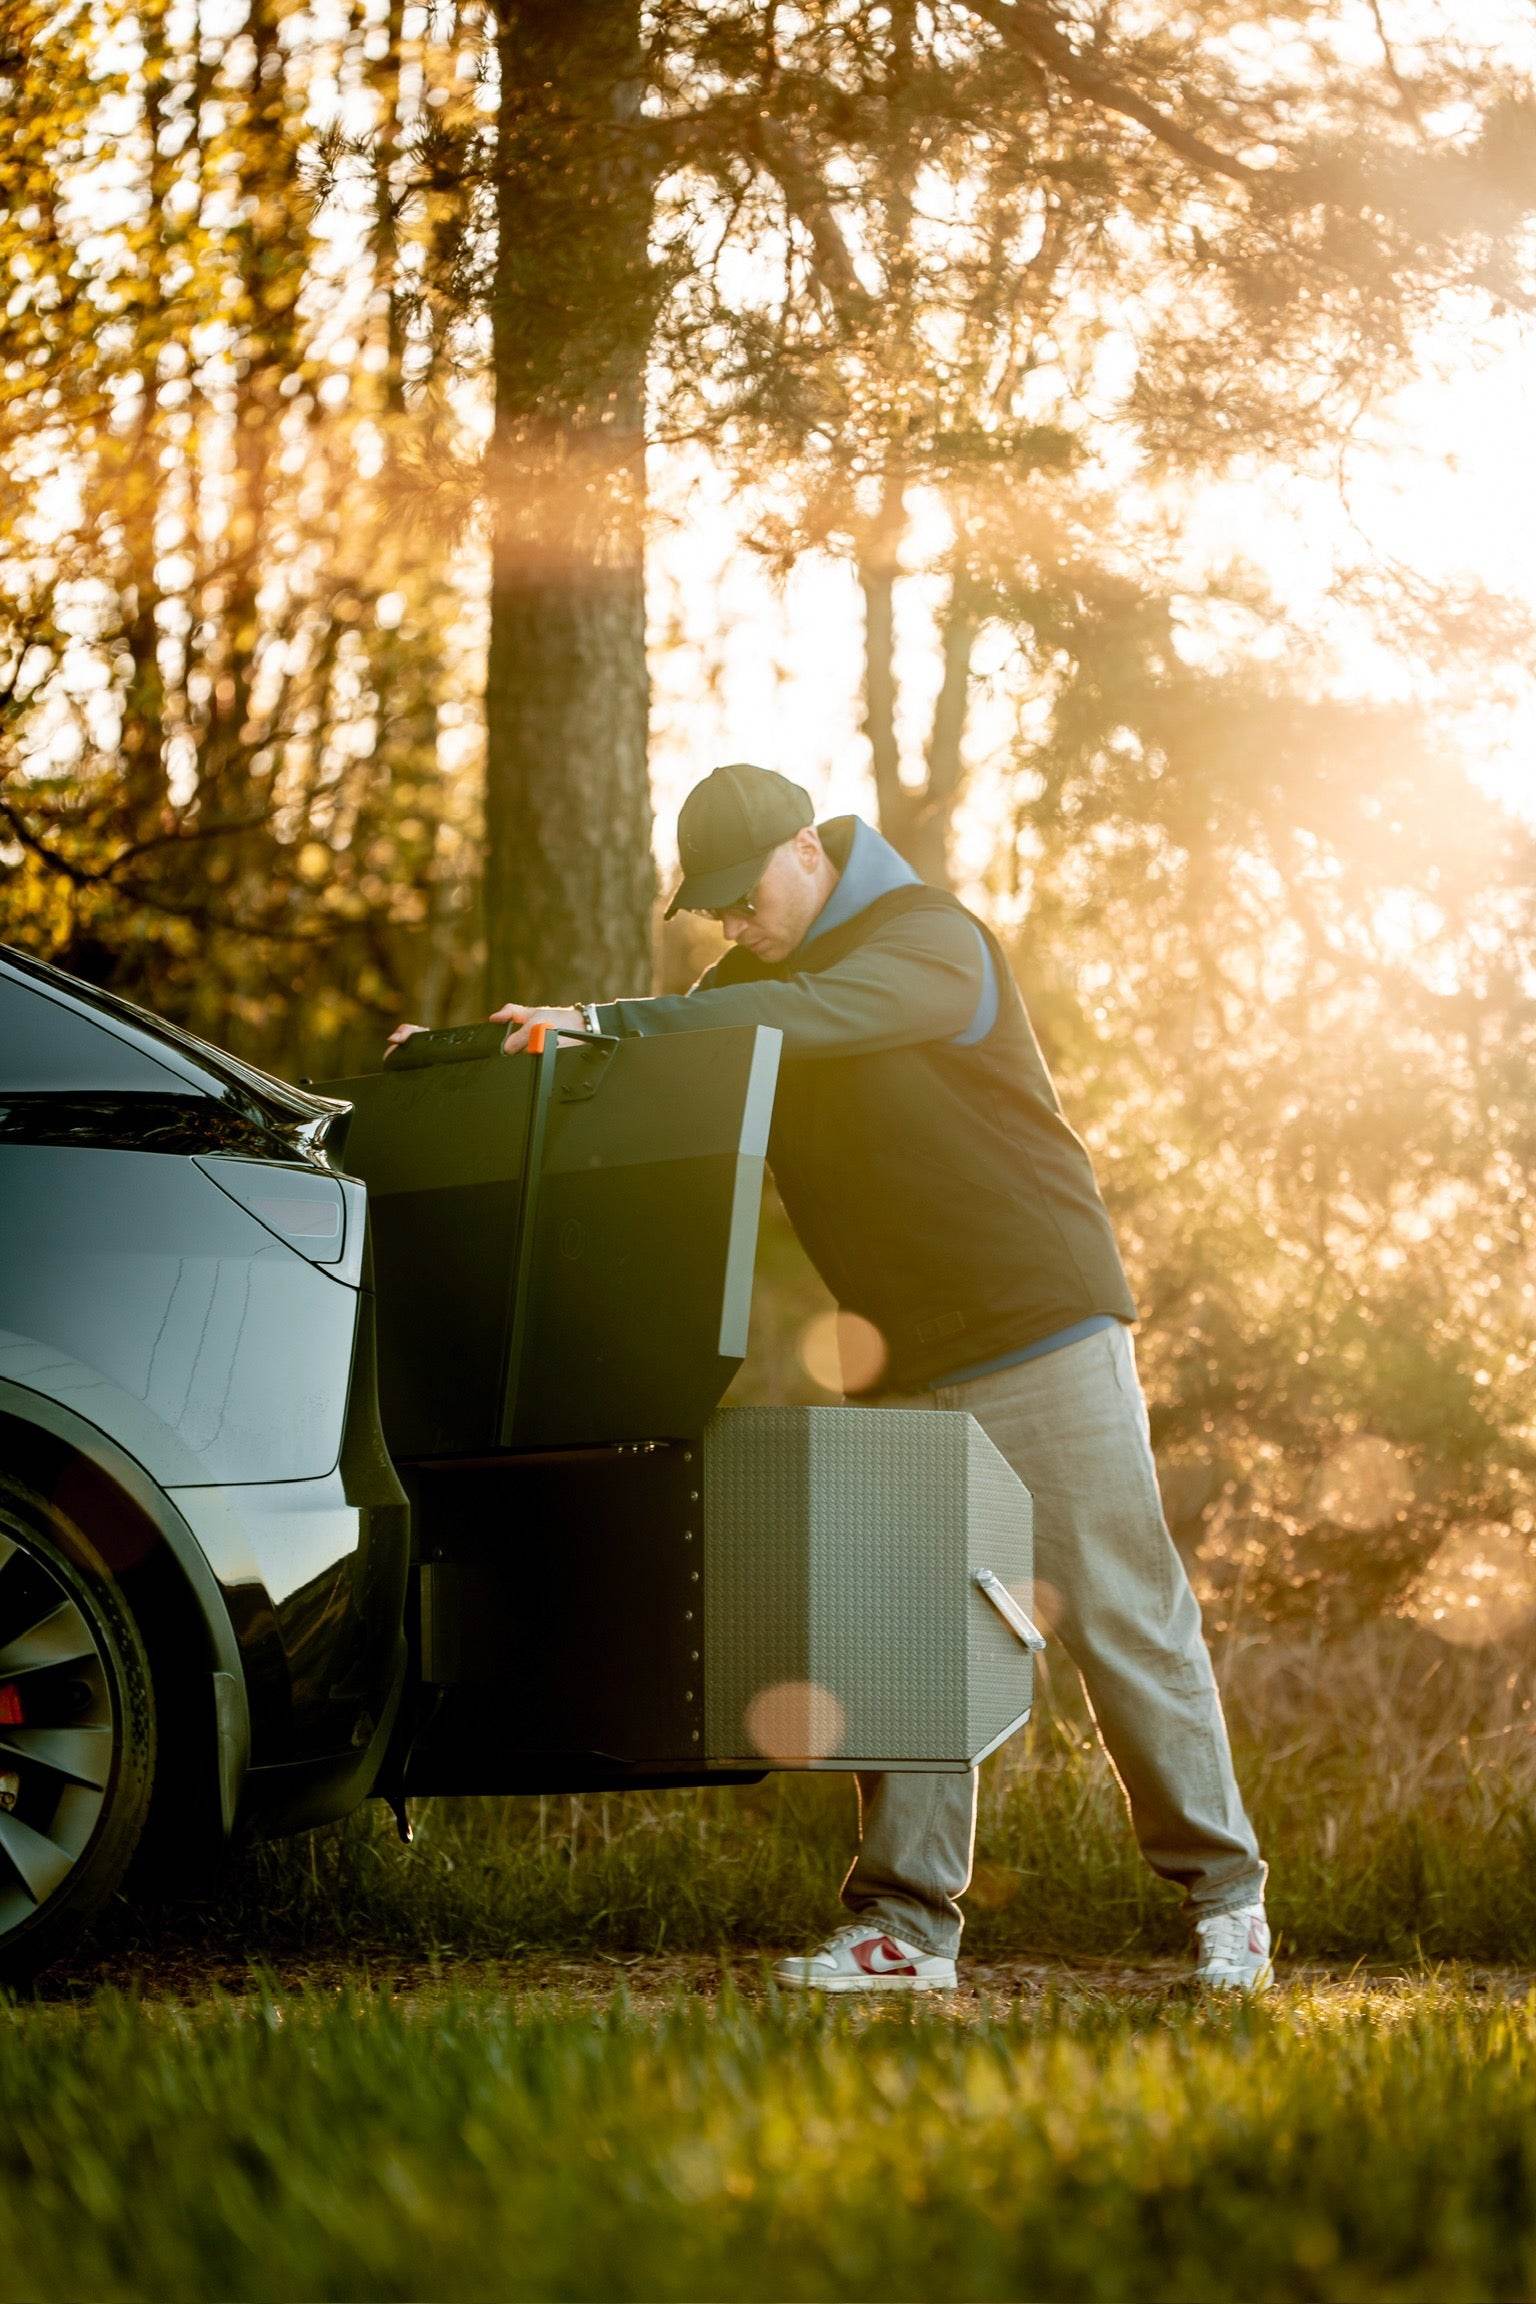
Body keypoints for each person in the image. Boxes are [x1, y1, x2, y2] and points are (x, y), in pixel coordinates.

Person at [390, 761, 1270, 1994]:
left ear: (808, 849)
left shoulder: (932, 943)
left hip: (1041, 1324)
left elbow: (795, 1021)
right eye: (717, 913)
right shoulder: (748, 982)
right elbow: (627, 1070)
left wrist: (614, 1018)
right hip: (904, 1347)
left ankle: (1227, 1905)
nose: (736, 926)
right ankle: (907, 1932)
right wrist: (461, 1060)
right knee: (906, 1635)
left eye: (746, 897)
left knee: (1120, 1610)